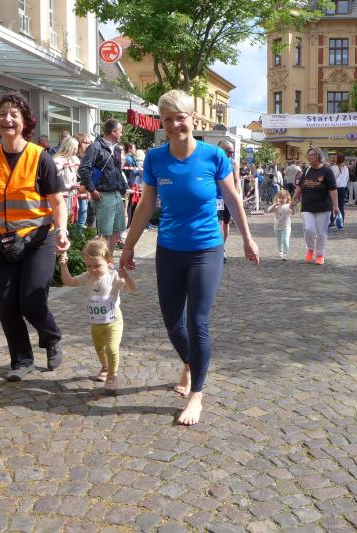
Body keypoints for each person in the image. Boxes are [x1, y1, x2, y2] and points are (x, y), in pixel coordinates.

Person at [119, 89, 260, 426]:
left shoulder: (214, 156)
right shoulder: (155, 159)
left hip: (206, 249)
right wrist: (128, 246)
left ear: (192, 119)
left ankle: (197, 393)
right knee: (172, 322)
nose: (174, 125)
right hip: (169, 250)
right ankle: (189, 362)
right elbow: (146, 205)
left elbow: (233, 199)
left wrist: (247, 239)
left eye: (180, 118)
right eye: (167, 120)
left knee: (197, 322)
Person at [0, 91, 70, 381]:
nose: (8, 119)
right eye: (2, 114)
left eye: (14, 114)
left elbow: (57, 201)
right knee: (7, 303)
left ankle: (51, 337)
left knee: (32, 299)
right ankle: (21, 361)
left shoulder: (40, 157)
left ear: (25, 122)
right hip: (1, 239)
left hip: (38, 239)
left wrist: (62, 230)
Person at [59, 237, 135, 393]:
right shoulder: (87, 277)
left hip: (113, 320)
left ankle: (112, 375)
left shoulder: (113, 276)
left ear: (108, 260)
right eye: (88, 265)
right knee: (100, 348)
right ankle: (105, 367)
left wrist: (126, 276)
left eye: (97, 265)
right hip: (96, 322)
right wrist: (64, 266)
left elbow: (131, 289)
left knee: (112, 348)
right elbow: (69, 282)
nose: (93, 269)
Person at [78, 119, 126, 255]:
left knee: (116, 232)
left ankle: (109, 262)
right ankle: (102, 263)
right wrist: (92, 190)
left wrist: (123, 187)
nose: (121, 134)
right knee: (105, 234)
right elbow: (83, 169)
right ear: (113, 132)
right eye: (120, 131)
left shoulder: (117, 148)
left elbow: (118, 170)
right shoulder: (96, 147)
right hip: (103, 195)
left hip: (116, 194)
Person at [290, 147, 338, 265]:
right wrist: (293, 200)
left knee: (321, 233)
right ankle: (310, 248)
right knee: (309, 229)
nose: (308, 157)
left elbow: (332, 189)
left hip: (323, 207)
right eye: (308, 155)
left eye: (311, 155)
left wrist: (335, 205)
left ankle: (320, 254)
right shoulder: (307, 170)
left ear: (318, 156)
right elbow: (299, 187)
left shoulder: (327, 171)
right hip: (307, 206)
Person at [216, 140, 240, 262]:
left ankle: (222, 247)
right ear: (221, 150)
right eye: (229, 152)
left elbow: (236, 180)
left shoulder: (233, 163)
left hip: (228, 197)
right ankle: (218, 249)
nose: (231, 154)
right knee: (218, 223)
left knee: (226, 223)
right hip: (216, 197)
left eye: (232, 152)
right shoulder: (213, 161)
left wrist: (236, 197)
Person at [53, 136, 80, 223]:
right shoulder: (57, 160)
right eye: (76, 147)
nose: (77, 149)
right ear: (70, 147)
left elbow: (78, 175)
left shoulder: (73, 159)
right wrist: (68, 186)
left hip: (72, 195)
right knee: (62, 219)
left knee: (71, 219)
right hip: (62, 195)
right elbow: (54, 179)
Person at [267, 189, 294, 260]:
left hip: (286, 226)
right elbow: (269, 210)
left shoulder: (288, 206)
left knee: (285, 239)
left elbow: (293, 213)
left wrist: (292, 207)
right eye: (280, 198)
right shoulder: (276, 206)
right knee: (279, 240)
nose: (281, 200)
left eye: (283, 198)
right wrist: (274, 205)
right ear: (277, 198)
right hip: (277, 227)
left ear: (287, 199)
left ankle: (285, 253)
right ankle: (280, 251)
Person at [74, 133, 92, 229]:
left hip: (84, 189)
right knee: (78, 214)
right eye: (85, 142)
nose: (88, 145)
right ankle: (76, 235)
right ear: (79, 143)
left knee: (83, 213)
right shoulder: (76, 158)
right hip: (76, 189)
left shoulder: (86, 156)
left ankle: (79, 233)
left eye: (89, 143)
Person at [331, 153, 348, 227]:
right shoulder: (346, 168)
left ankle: (332, 221)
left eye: (336, 157)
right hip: (342, 188)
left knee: (332, 204)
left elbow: (331, 178)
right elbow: (347, 178)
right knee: (341, 206)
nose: (334, 158)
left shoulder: (334, 167)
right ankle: (341, 222)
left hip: (334, 188)